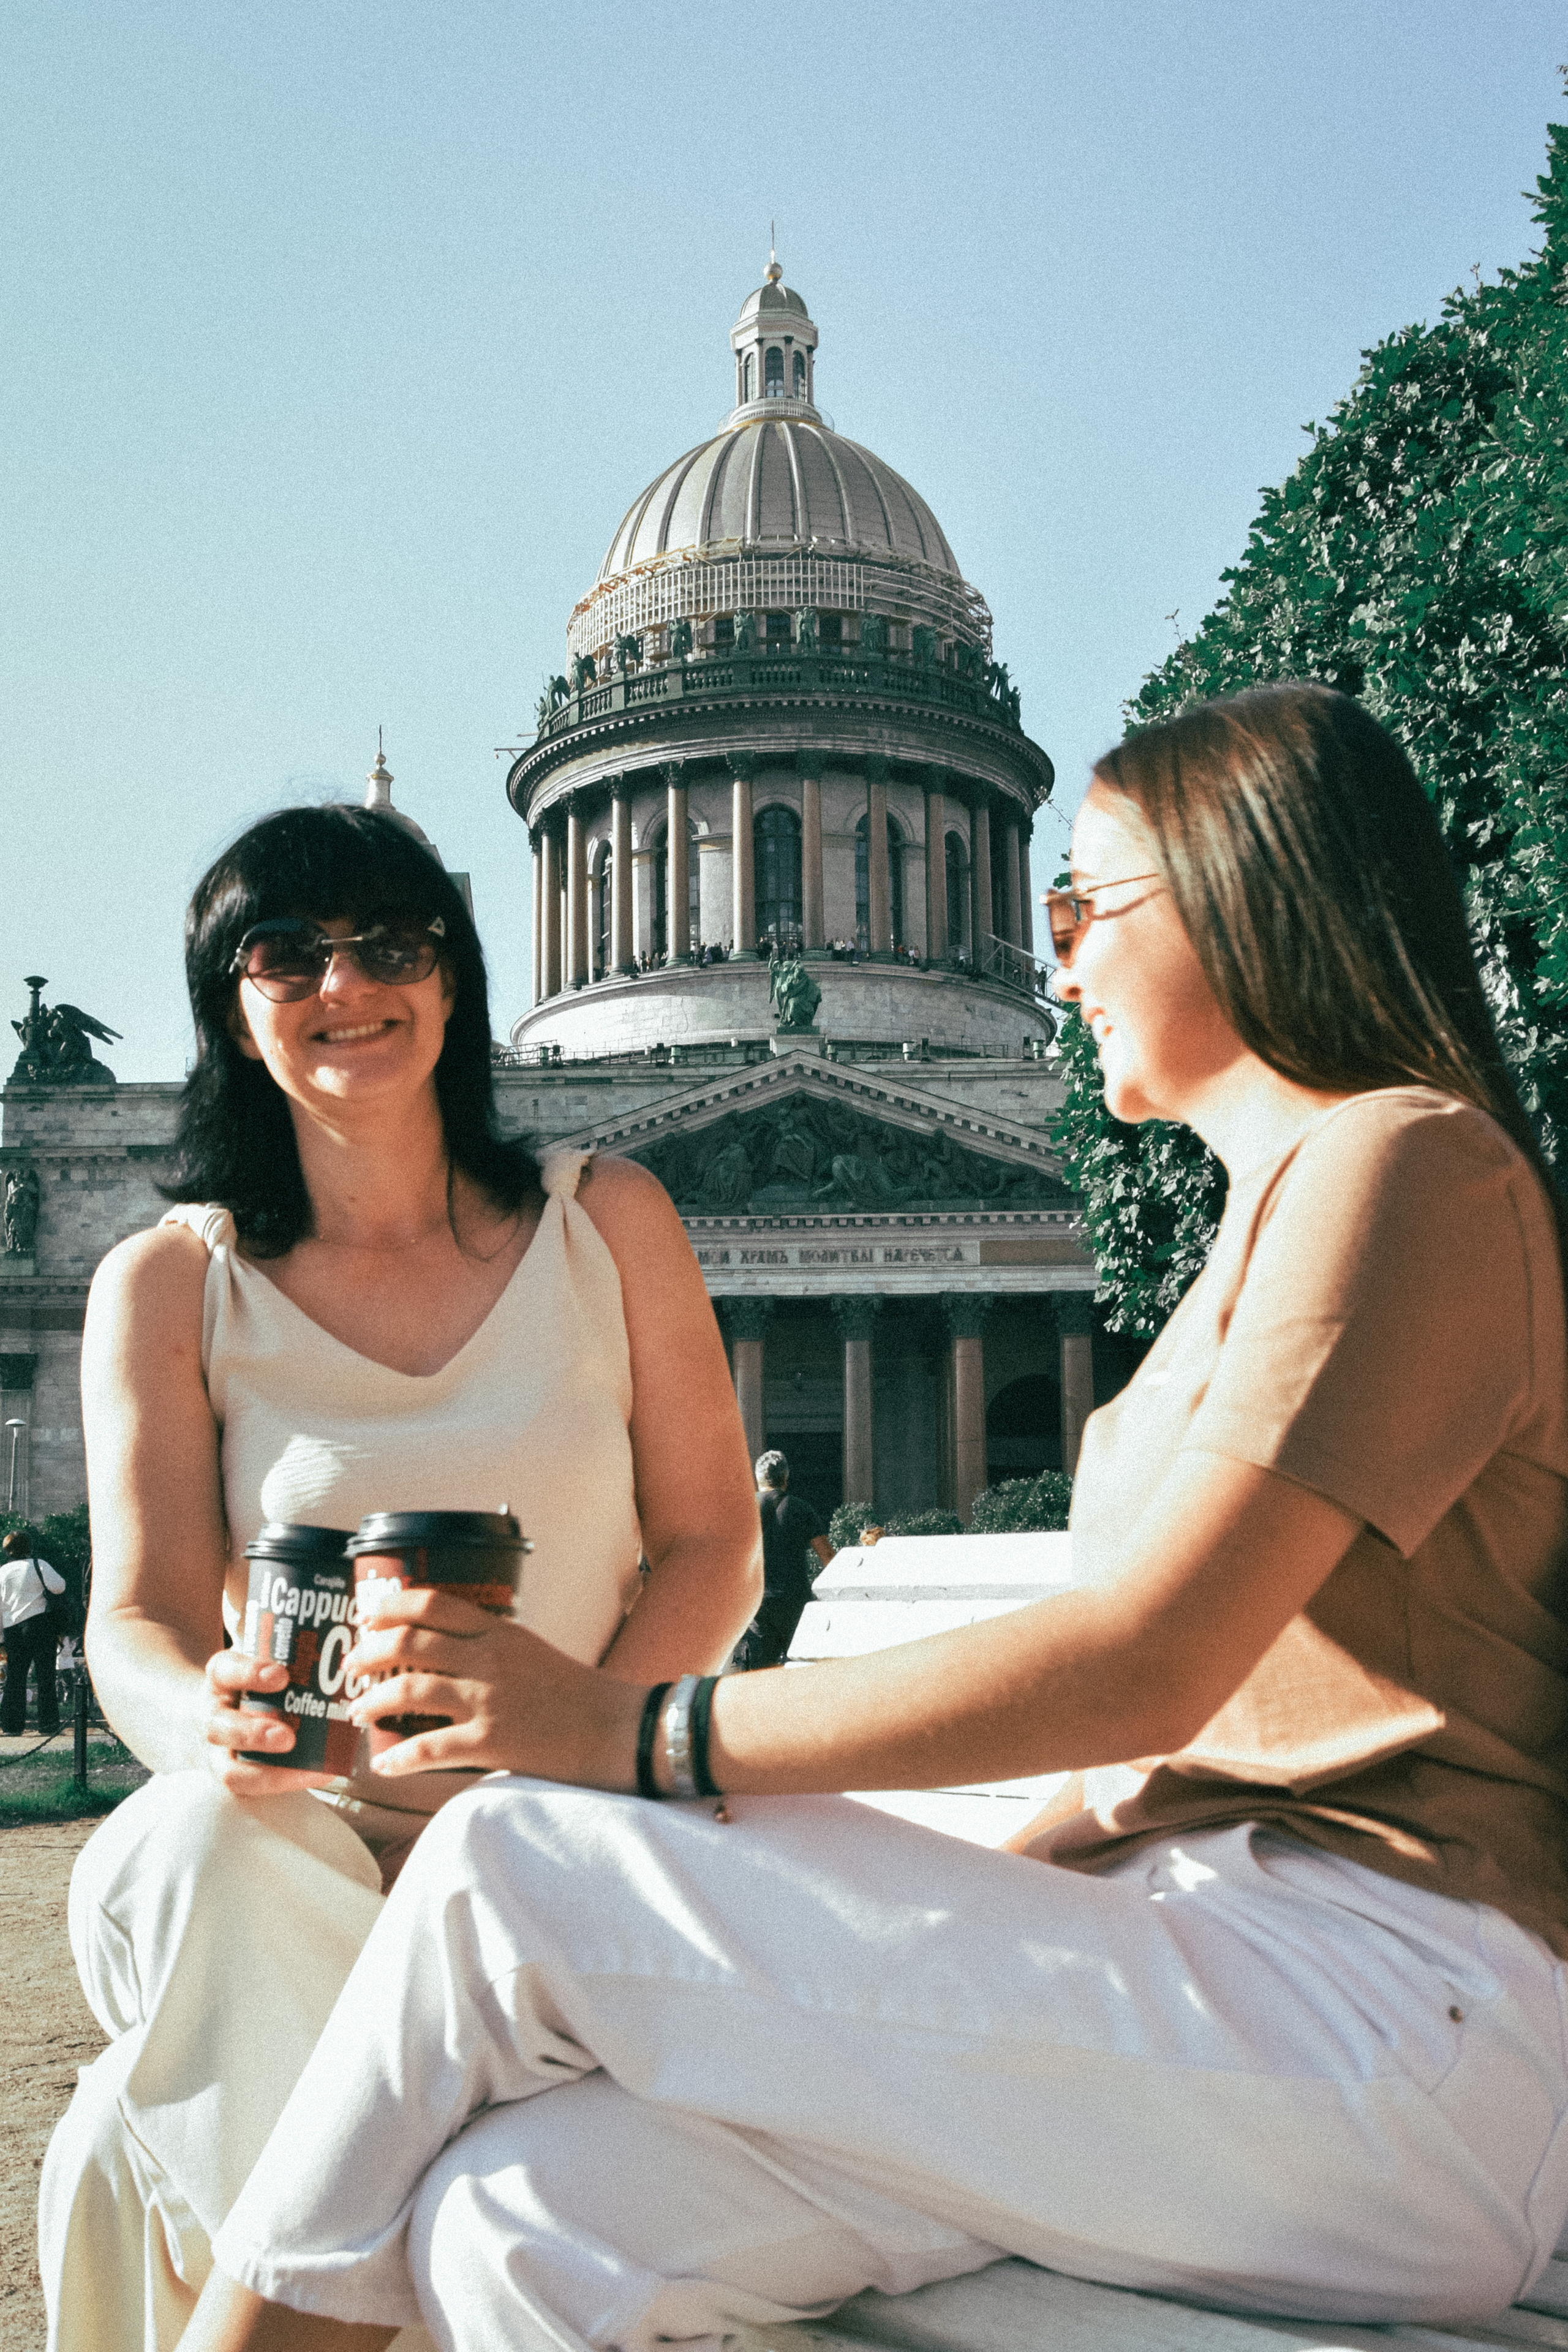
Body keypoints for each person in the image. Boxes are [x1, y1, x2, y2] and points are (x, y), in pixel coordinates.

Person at [183, 685, 1568, 2351]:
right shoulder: (1258, 1236)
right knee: (538, 2217)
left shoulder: (1407, 1166)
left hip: (1388, 2012)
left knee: (506, 1853)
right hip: (1202, 1984)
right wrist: (867, 1906)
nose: (1049, 963)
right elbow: (1143, 1768)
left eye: (1079, 904)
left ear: (1238, 892)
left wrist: (631, 1732)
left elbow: (1147, 1665)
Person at [39, 803, 760, 2352]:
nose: (341, 983)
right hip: (284, 1832)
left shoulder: (604, 1219)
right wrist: (204, 1718)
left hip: (540, 1831)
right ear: (229, 1002)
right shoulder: (171, 1281)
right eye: (284, 952)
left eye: (390, 943)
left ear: (456, 976)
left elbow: (712, 1537)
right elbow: (142, 1614)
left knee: (122, 2142)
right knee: (196, 1850)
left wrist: (584, 1731)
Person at [733, 1450, 834, 1669]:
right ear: (785, 1478)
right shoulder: (801, 1508)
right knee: (801, 1670)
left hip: (757, 1605)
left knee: (760, 1674)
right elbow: (827, 1556)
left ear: (758, 1478)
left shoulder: (742, 1511)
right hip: (795, 1602)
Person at [0, 1527, 67, 1736]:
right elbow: (60, 1587)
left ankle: (11, 1726)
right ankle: (48, 1725)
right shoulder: (39, 1565)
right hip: (40, 1626)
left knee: (15, 1678)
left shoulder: (2, 1572)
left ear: (8, 1551)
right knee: (46, 1677)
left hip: (13, 1629)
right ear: (28, 1547)